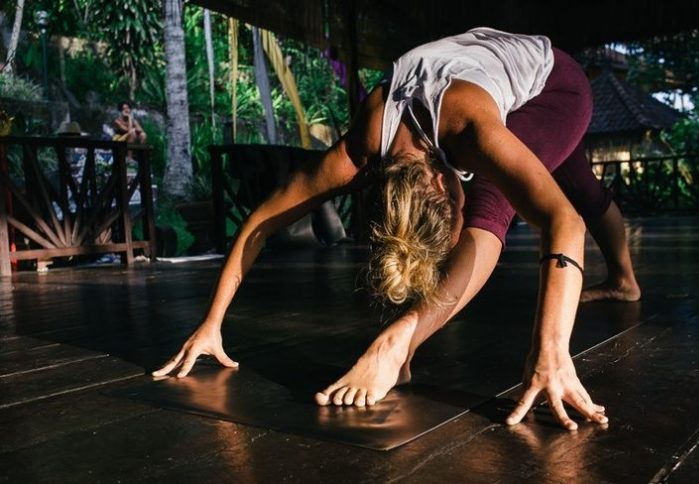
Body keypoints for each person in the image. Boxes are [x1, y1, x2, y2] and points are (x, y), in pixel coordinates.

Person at [153, 27, 641, 430]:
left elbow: (564, 223)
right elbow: (260, 222)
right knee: (577, 183)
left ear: (445, 183)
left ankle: (396, 343)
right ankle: (624, 280)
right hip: (495, 75)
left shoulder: (471, 134)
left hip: (556, 83)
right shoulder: (359, 151)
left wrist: (551, 353)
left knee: (499, 202)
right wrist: (211, 325)